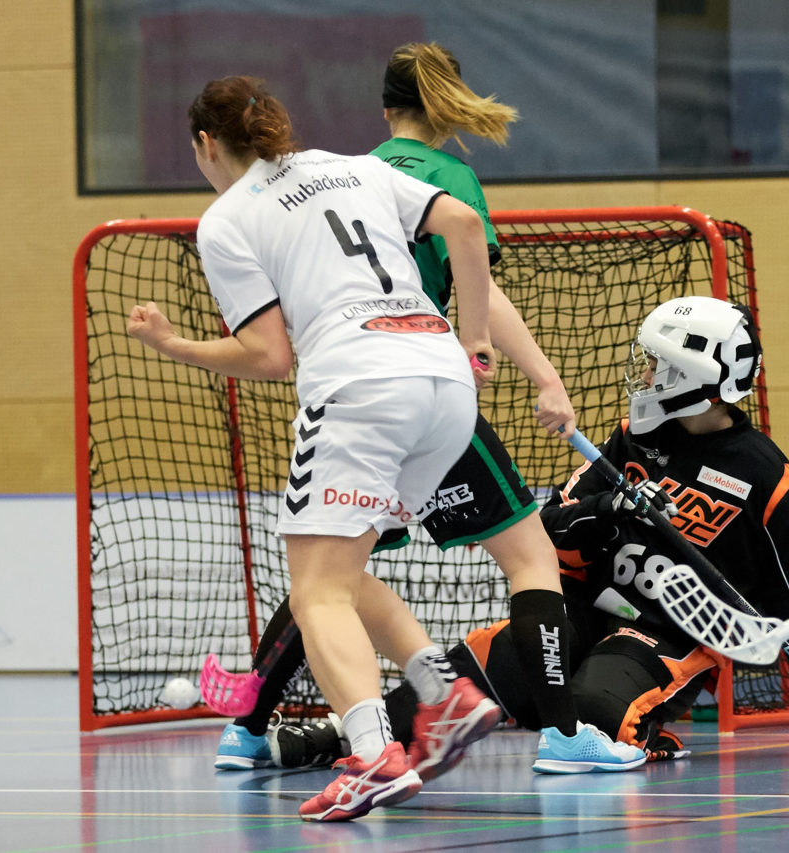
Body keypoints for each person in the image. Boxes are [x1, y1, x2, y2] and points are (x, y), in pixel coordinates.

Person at [214, 41, 646, 778]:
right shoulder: (447, 176)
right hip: (426, 384)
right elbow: (477, 277)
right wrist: (538, 373)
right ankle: (562, 731)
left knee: (327, 573)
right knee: (528, 556)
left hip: (347, 396)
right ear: (447, 108)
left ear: (385, 110)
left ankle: (248, 727)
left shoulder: (350, 168)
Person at [267, 295, 789, 769]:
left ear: (694, 374)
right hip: (586, 609)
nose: (643, 374)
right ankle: (342, 736)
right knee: (473, 676)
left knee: (594, 710)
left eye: (657, 364)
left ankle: (640, 738)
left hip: (669, 632)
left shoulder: (763, 476)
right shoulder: (633, 439)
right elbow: (548, 528)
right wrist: (608, 511)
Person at [129, 75, 506, 823]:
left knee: (315, 593)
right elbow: (464, 225)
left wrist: (174, 344)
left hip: (361, 386)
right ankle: (445, 697)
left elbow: (270, 356)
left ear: (207, 144)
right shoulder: (360, 167)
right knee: (341, 571)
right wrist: (476, 338)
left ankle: (372, 756)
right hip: (443, 385)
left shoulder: (228, 217)